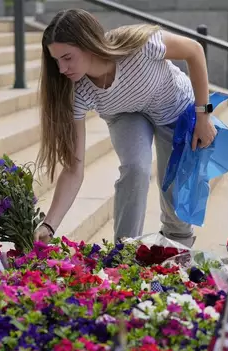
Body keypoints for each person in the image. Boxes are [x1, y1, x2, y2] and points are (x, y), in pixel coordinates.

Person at [33, 9, 217, 247]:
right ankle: (124, 251)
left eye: (67, 58)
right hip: (123, 113)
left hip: (171, 107)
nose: (61, 69)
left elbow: (194, 50)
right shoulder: (77, 91)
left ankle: (178, 248)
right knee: (135, 168)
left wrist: (203, 116)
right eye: (56, 60)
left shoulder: (140, 45)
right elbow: (73, 168)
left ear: (88, 44)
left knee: (173, 185)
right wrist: (50, 224)